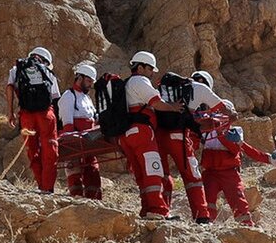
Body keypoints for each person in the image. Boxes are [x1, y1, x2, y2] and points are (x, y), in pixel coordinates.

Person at [156, 70, 235, 224]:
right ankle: (202, 216)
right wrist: (232, 114)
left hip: (158, 135)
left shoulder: (169, 89)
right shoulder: (201, 90)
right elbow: (223, 108)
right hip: (179, 136)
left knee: (162, 175)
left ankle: (161, 211)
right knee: (193, 177)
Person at [118, 51, 184, 220]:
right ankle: (158, 210)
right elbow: (156, 103)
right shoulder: (140, 81)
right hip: (142, 132)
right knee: (153, 170)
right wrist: (174, 107)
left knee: (141, 173)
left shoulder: (125, 84)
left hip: (126, 134)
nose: (152, 72)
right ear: (139, 67)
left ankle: (146, 209)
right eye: (149, 69)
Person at [5, 47, 60, 193]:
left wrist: (10, 112)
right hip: (45, 115)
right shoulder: (48, 71)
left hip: (26, 116)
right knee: (50, 150)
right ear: (46, 61)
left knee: (32, 150)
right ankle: (48, 188)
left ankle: (41, 185)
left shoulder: (17, 69)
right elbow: (55, 98)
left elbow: (9, 88)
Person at [200, 100, 253, 226]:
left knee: (237, 198)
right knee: (207, 199)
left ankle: (246, 226)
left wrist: (221, 133)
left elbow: (235, 149)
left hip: (229, 171)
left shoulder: (236, 131)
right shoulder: (207, 132)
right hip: (210, 172)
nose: (219, 114)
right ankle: (207, 224)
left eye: (223, 111)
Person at [58, 64, 102, 199]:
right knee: (74, 172)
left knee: (93, 171)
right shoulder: (68, 96)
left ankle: (94, 201)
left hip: (89, 140)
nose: (90, 85)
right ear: (79, 78)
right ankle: (76, 200)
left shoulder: (86, 98)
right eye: (88, 81)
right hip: (75, 142)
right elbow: (67, 123)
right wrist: (74, 144)